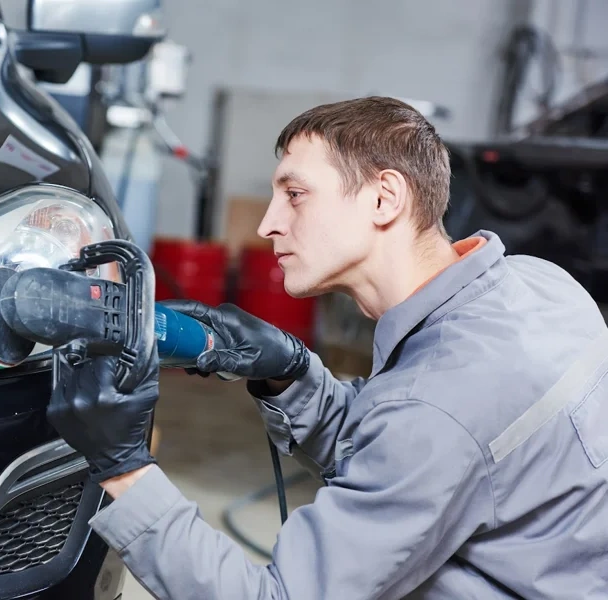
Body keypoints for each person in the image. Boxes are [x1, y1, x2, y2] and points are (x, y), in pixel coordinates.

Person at [46, 96, 608, 599]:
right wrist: (294, 376)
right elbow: (415, 460)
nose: (268, 223)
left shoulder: (436, 408)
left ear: (385, 198)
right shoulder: (537, 284)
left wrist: (124, 471)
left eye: (295, 195)